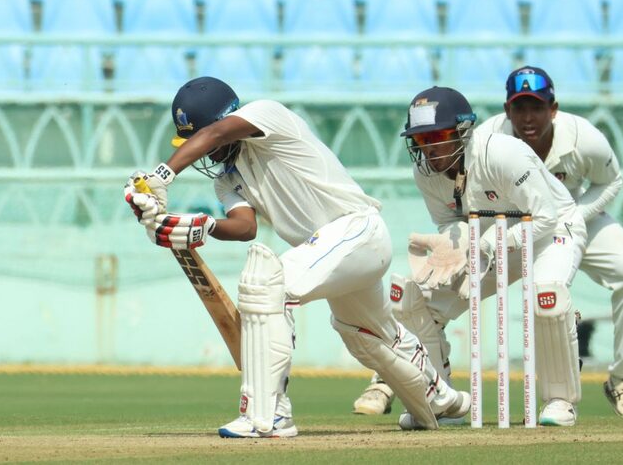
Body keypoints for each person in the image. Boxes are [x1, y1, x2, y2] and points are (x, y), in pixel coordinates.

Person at [124, 76, 470, 437]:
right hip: (329, 253)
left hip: (357, 230)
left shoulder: (267, 115)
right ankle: (439, 398)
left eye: (202, 140)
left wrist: (161, 175)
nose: (208, 154)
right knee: (369, 336)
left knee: (269, 283)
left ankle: (269, 414)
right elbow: (245, 227)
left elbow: (217, 134)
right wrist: (201, 226)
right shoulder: (226, 179)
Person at [354, 85, 586, 427]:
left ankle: (560, 401)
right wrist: (450, 246)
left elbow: (546, 217)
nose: (430, 148)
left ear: (463, 130)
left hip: (551, 231)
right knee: (416, 302)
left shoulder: (504, 154)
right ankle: (439, 400)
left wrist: (490, 243)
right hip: (489, 241)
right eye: (421, 140)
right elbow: (452, 222)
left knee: (546, 297)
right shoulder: (426, 174)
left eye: (440, 135)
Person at [477, 65, 623, 417]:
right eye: (520, 108)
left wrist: (573, 214)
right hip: (513, 224)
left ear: (553, 109)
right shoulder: (487, 140)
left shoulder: (582, 137)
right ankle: (407, 381)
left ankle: (620, 381)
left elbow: (612, 180)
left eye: (537, 107)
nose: (528, 117)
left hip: (572, 216)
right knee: (452, 285)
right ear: (506, 110)